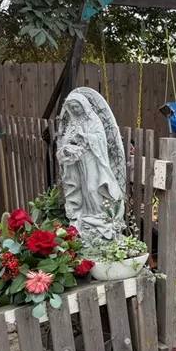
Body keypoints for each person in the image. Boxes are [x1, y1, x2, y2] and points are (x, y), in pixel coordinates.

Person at [57, 92, 125, 242]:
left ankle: (100, 215)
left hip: (92, 159)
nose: (75, 110)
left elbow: (100, 138)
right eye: (72, 108)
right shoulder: (73, 123)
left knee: (92, 187)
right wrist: (70, 146)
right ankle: (87, 215)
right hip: (77, 161)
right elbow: (66, 140)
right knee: (83, 189)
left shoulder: (94, 121)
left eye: (77, 106)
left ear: (83, 105)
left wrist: (85, 136)